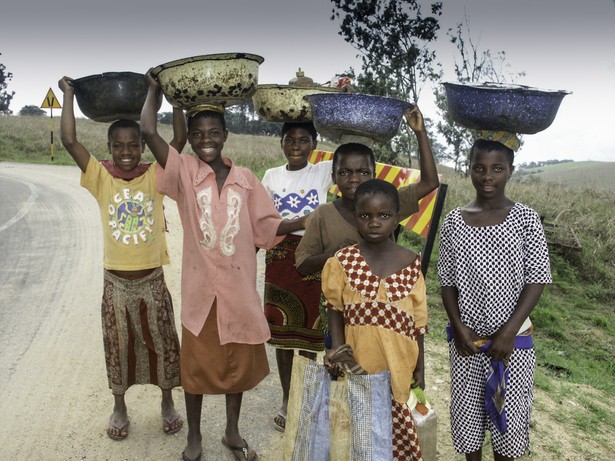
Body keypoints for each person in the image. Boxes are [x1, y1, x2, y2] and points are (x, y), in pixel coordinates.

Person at [140, 71, 303, 461]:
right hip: (202, 295)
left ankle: (232, 431)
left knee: (236, 369)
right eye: (198, 134)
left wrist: (301, 222)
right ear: (191, 140)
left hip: (238, 291)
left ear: (225, 134)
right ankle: (194, 437)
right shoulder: (184, 173)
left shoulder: (246, 179)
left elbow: (265, 225)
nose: (206, 140)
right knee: (195, 370)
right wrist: (154, 89)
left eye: (213, 132)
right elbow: (148, 130)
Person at [58, 76, 187, 441]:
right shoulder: (101, 177)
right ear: (109, 147)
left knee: (162, 342)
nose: (127, 152)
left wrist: (171, 98)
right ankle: (119, 405)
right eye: (119, 146)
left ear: (144, 148)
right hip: (115, 281)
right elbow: (69, 140)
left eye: (134, 145)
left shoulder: (155, 176)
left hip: (152, 280)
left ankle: (166, 401)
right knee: (117, 345)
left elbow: (177, 141)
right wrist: (68, 96)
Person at [437, 132, 552, 461]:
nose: (487, 177)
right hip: (467, 341)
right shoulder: (454, 221)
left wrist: (508, 331)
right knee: (468, 417)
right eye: (479, 167)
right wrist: (459, 328)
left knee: (509, 422)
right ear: (469, 169)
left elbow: (537, 279)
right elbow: (447, 282)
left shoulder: (526, 219)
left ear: (511, 171)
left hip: (512, 343)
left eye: (497, 168)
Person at [295, 105, 439, 342]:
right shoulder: (323, 215)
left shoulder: (387, 203)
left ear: (374, 173)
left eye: (363, 172)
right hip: (341, 319)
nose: (354, 179)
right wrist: (335, 255)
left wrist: (420, 133)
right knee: (344, 373)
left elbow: (430, 182)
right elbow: (302, 265)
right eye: (345, 172)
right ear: (334, 176)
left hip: (384, 317)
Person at [322, 178, 427, 461]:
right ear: (355, 216)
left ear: (396, 218)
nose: (374, 222)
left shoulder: (411, 262)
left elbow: (418, 322)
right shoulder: (343, 261)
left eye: (383, 215)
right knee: (357, 431)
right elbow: (335, 308)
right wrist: (337, 350)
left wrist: (422, 367)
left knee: (392, 432)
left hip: (398, 364)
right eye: (365, 215)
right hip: (358, 363)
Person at [260, 120, 332, 432]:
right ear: (281, 143)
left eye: (304, 140)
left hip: (314, 256)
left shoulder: (323, 171)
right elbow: (266, 223)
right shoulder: (271, 176)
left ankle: (306, 398)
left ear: (314, 144)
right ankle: (288, 399)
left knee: (309, 334)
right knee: (282, 335)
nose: (296, 146)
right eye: (290, 140)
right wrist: (301, 219)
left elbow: (351, 148)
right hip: (280, 257)